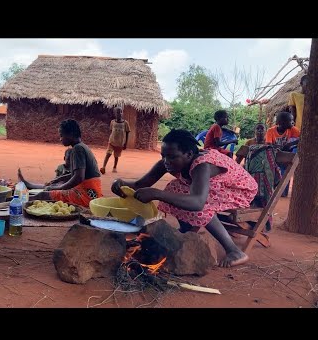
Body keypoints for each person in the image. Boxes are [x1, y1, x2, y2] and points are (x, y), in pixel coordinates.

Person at [111, 129, 258, 268]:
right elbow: (140, 184)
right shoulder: (169, 161)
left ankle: (234, 251)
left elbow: (198, 203)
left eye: (172, 157)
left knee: (199, 203)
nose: (166, 161)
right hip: (216, 186)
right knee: (175, 188)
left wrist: (157, 193)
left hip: (239, 190)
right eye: (163, 155)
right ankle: (187, 230)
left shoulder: (202, 166)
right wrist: (121, 184)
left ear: (188, 154)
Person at [30, 119, 103, 207]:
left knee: (42, 196)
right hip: (92, 192)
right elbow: (76, 174)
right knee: (53, 186)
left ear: (71, 134)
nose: (60, 139)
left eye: (61, 135)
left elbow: (79, 177)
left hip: (87, 194)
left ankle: (19, 204)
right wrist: (59, 179)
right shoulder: (82, 146)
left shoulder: (77, 149)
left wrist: (59, 188)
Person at [265, 111, 300, 197]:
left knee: (285, 172)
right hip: (274, 156)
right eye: (290, 120)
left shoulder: (292, 129)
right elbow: (269, 145)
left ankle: (283, 193)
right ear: (281, 123)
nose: (293, 122)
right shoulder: (271, 131)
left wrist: (289, 144)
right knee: (274, 173)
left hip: (285, 156)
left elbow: (302, 138)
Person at [100, 106, 130, 174]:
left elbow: (127, 133)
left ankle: (114, 167)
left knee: (116, 156)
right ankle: (103, 167)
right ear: (115, 114)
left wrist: (125, 143)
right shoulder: (112, 122)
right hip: (112, 141)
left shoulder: (125, 123)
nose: (119, 114)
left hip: (120, 143)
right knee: (108, 154)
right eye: (117, 112)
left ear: (122, 113)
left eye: (120, 112)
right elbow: (111, 131)